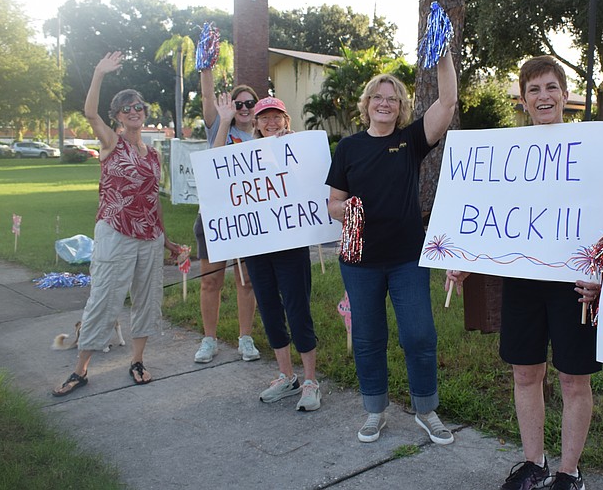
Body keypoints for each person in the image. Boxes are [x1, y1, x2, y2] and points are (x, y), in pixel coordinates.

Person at [446, 55, 602, 490]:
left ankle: (569, 472)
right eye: (534, 90)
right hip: (523, 279)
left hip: (576, 285)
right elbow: (486, 215)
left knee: (573, 378)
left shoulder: (591, 148)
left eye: (551, 87)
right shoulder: (505, 155)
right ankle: (534, 464)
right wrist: (462, 258)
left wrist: (602, 274)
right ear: (523, 99)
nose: (543, 96)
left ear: (566, 95)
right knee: (525, 372)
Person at [326, 50, 457, 445]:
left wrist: (442, 53)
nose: (385, 103)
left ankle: (426, 410)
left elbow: (448, 101)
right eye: (378, 97)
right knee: (368, 338)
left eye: (393, 98)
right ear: (366, 105)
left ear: (400, 107)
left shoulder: (411, 140)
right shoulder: (348, 148)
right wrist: (346, 209)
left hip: (407, 259)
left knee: (419, 335)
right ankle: (374, 411)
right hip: (359, 260)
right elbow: (333, 202)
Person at [53, 51, 182, 396]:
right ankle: (80, 369)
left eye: (139, 106)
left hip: (150, 238)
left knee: (147, 299)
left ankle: (137, 360)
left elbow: (153, 201)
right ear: (118, 117)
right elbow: (89, 112)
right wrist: (98, 72)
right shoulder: (112, 143)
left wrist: (167, 241)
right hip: (115, 234)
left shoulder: (153, 155)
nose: (134, 111)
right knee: (104, 299)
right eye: (127, 108)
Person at [213, 94, 321, 412]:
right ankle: (287, 376)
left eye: (277, 117)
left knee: (298, 310)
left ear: (286, 120)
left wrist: (292, 149)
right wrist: (222, 121)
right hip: (257, 246)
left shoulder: (298, 148)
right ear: (256, 124)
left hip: (290, 245)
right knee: (270, 311)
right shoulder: (245, 153)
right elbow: (215, 164)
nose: (271, 122)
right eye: (264, 118)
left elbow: (313, 181)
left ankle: (311, 380)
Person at [192, 68, 260, 364]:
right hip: (214, 218)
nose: (244, 108)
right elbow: (213, 158)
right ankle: (210, 339)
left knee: (246, 282)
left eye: (249, 104)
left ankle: (245, 338)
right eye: (238, 104)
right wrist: (206, 67)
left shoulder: (262, 137)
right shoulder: (220, 126)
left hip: (248, 221)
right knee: (211, 281)